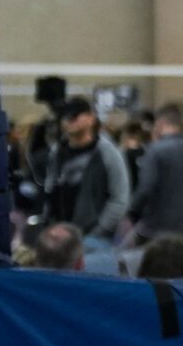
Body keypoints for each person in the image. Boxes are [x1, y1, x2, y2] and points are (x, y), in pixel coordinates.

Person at [44, 99, 130, 248]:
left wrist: (98, 232)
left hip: (94, 239)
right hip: (59, 237)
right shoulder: (57, 152)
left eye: (76, 115)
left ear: (91, 118)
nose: (70, 120)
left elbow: (120, 198)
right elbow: (51, 187)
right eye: (65, 116)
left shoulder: (108, 153)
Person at [127, 105, 183, 243]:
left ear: (160, 124)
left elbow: (146, 187)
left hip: (154, 232)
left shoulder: (155, 151)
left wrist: (133, 212)